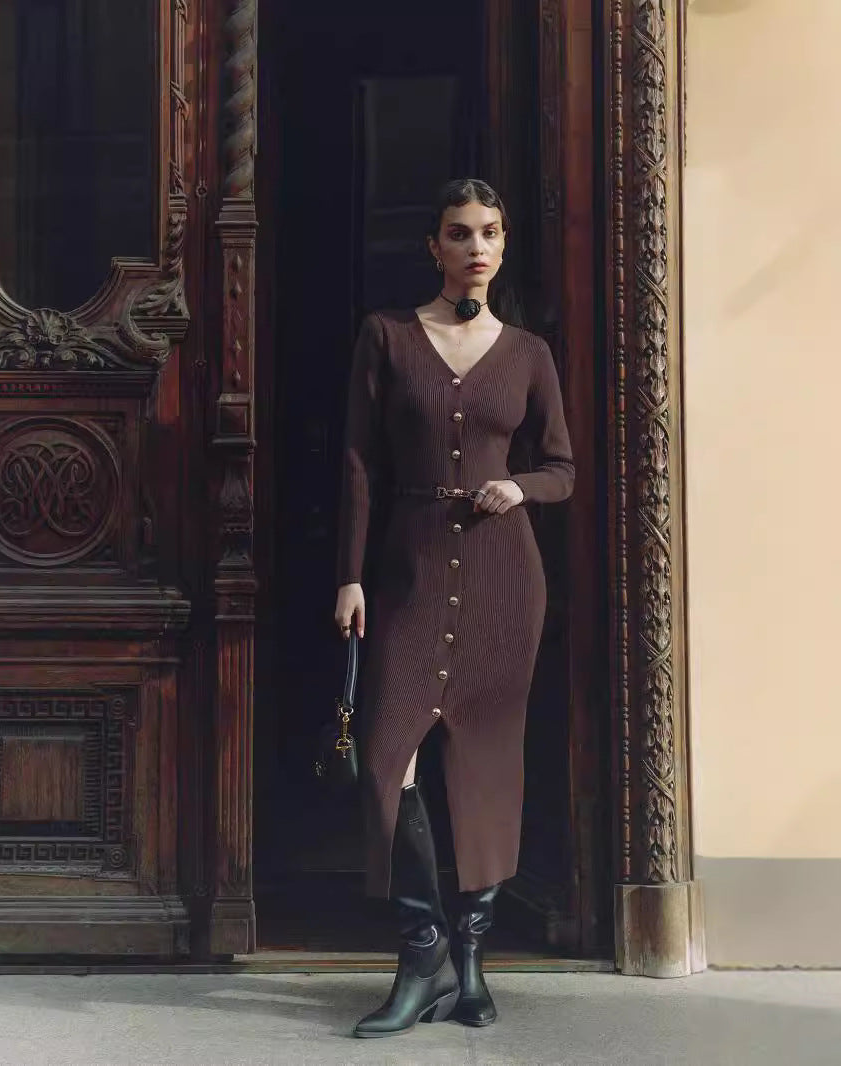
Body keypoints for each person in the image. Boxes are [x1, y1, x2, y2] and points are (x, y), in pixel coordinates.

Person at [334, 178, 575, 1039]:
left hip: (508, 584)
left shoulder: (531, 354)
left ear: (503, 248)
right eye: (459, 233)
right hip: (407, 570)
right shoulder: (388, 339)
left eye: (491, 234)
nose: (476, 246)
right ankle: (422, 951)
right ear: (432, 247)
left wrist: (521, 486)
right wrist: (349, 575)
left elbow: (563, 467)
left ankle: (470, 967)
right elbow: (359, 464)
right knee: (387, 758)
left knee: (483, 769)